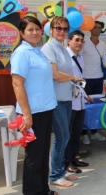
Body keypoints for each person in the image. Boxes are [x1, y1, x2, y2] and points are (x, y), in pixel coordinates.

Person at [10, 16, 57, 195]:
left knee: (43, 154)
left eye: (37, 29)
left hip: (45, 109)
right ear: (22, 33)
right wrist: (27, 115)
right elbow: (17, 84)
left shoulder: (37, 50)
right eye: (30, 29)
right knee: (34, 156)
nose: (35, 32)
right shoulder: (21, 53)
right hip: (33, 112)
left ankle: (43, 190)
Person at [41, 16, 84, 187]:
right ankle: (55, 175)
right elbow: (55, 74)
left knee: (65, 137)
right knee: (62, 137)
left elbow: (64, 75)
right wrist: (73, 77)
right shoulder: (49, 48)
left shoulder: (63, 49)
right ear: (51, 30)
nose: (62, 31)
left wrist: (75, 83)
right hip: (56, 100)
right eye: (58, 28)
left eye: (65, 29)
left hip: (66, 98)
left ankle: (61, 169)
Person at [65, 30, 93, 174]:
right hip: (69, 100)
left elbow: (80, 80)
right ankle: (67, 162)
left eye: (82, 40)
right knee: (68, 133)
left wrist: (86, 95)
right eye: (77, 40)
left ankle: (74, 158)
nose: (79, 43)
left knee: (77, 132)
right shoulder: (64, 57)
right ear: (69, 41)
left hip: (80, 100)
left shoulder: (80, 57)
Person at [82, 21, 106, 144]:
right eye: (95, 27)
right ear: (90, 29)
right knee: (84, 106)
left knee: (96, 106)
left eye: (100, 28)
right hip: (86, 79)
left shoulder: (102, 44)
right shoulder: (84, 42)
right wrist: (80, 77)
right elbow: (79, 59)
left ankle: (94, 131)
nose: (97, 30)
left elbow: (105, 63)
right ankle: (83, 133)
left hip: (98, 78)